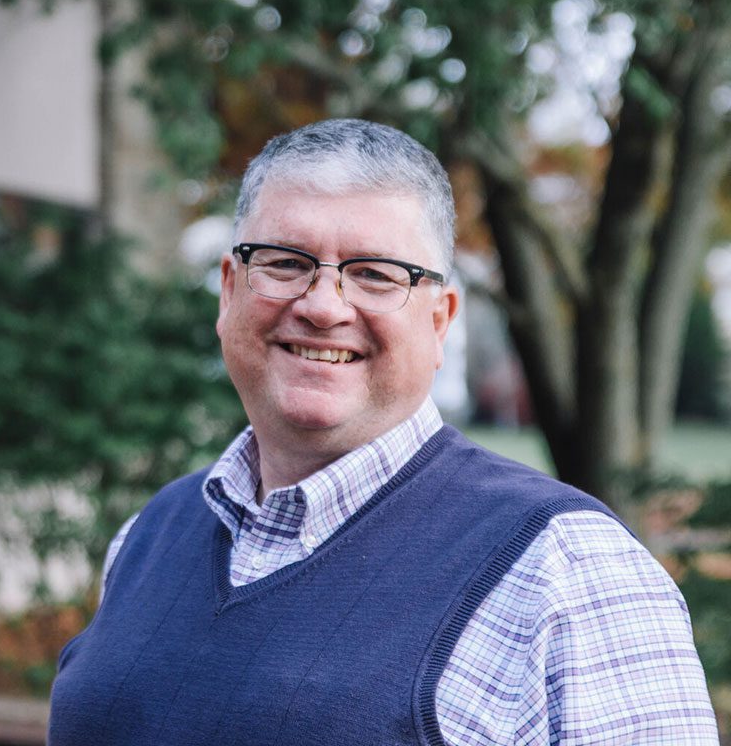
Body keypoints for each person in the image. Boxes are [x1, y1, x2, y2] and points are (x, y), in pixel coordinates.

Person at [48, 119, 719, 745]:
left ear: (439, 319)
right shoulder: (148, 536)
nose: (321, 305)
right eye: (284, 262)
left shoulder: (565, 569)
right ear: (230, 292)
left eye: (374, 274)